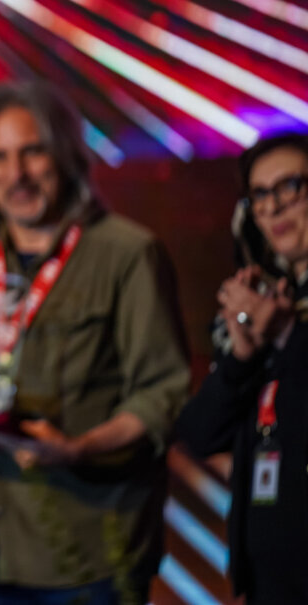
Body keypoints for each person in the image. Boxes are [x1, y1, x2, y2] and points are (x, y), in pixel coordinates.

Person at [0, 81, 191, 605]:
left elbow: (161, 395)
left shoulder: (128, 254)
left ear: (66, 156)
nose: (17, 174)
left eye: (32, 152)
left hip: (86, 553)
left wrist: (78, 448)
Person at [175, 133, 308, 604]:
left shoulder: (283, 321)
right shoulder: (270, 303)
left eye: (290, 186)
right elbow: (199, 434)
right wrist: (242, 357)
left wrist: (287, 339)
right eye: (260, 195)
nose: (273, 207)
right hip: (269, 579)